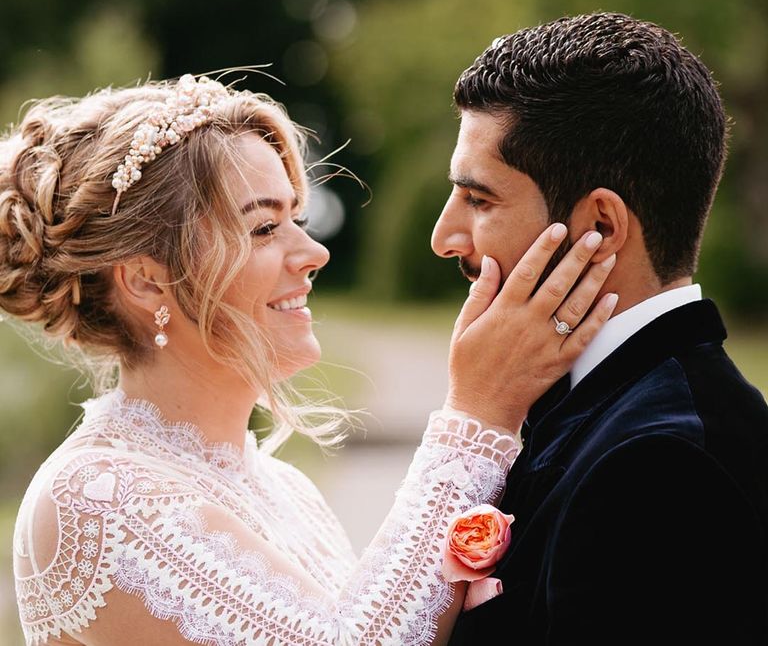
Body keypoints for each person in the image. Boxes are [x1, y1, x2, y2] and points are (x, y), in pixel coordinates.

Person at [2, 73, 617, 645]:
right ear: (144, 281)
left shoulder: (286, 489)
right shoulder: (94, 494)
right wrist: (477, 412)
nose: (314, 252)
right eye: (263, 229)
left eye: (296, 218)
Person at [431, 12, 768, 645]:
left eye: (479, 200)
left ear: (602, 229)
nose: (444, 238)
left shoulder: (662, 469)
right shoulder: (583, 402)